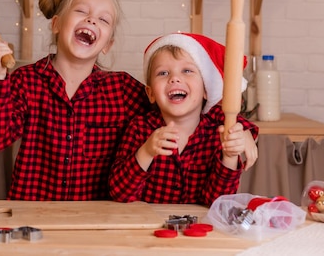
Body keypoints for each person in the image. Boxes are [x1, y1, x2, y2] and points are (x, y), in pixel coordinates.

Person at [0, 0, 151, 200]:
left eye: (103, 19)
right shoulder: (26, 80)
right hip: (33, 217)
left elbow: (168, 111)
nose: (91, 20)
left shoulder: (124, 91)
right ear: (56, 24)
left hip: (95, 221)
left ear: (108, 45)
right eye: (81, 11)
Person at [109, 32, 259, 205]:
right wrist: (147, 152)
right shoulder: (140, 129)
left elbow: (216, 202)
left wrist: (230, 157)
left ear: (206, 90)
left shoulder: (217, 134)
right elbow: (119, 194)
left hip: (198, 229)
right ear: (150, 93)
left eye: (187, 71)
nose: (174, 78)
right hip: (147, 227)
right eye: (163, 73)